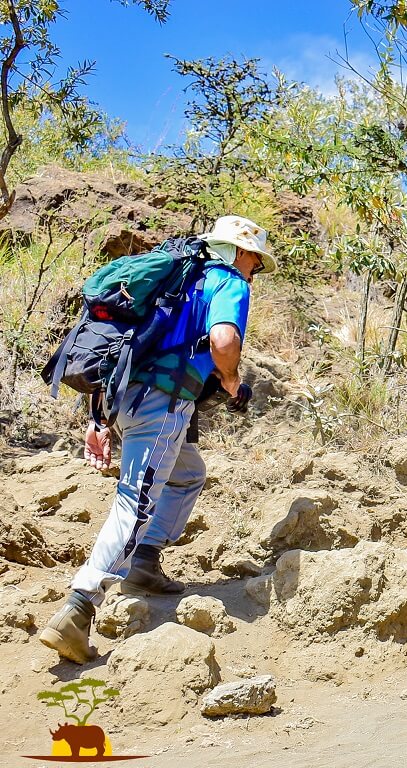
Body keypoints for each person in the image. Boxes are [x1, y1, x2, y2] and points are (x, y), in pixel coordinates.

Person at [39, 215, 275, 664]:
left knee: (188, 474)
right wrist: (230, 378)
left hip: (125, 398)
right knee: (136, 502)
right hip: (163, 405)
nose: (254, 270)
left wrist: (99, 419)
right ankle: (80, 606)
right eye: (255, 261)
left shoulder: (176, 281)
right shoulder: (227, 282)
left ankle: (143, 563)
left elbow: (127, 345)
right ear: (239, 252)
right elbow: (224, 339)